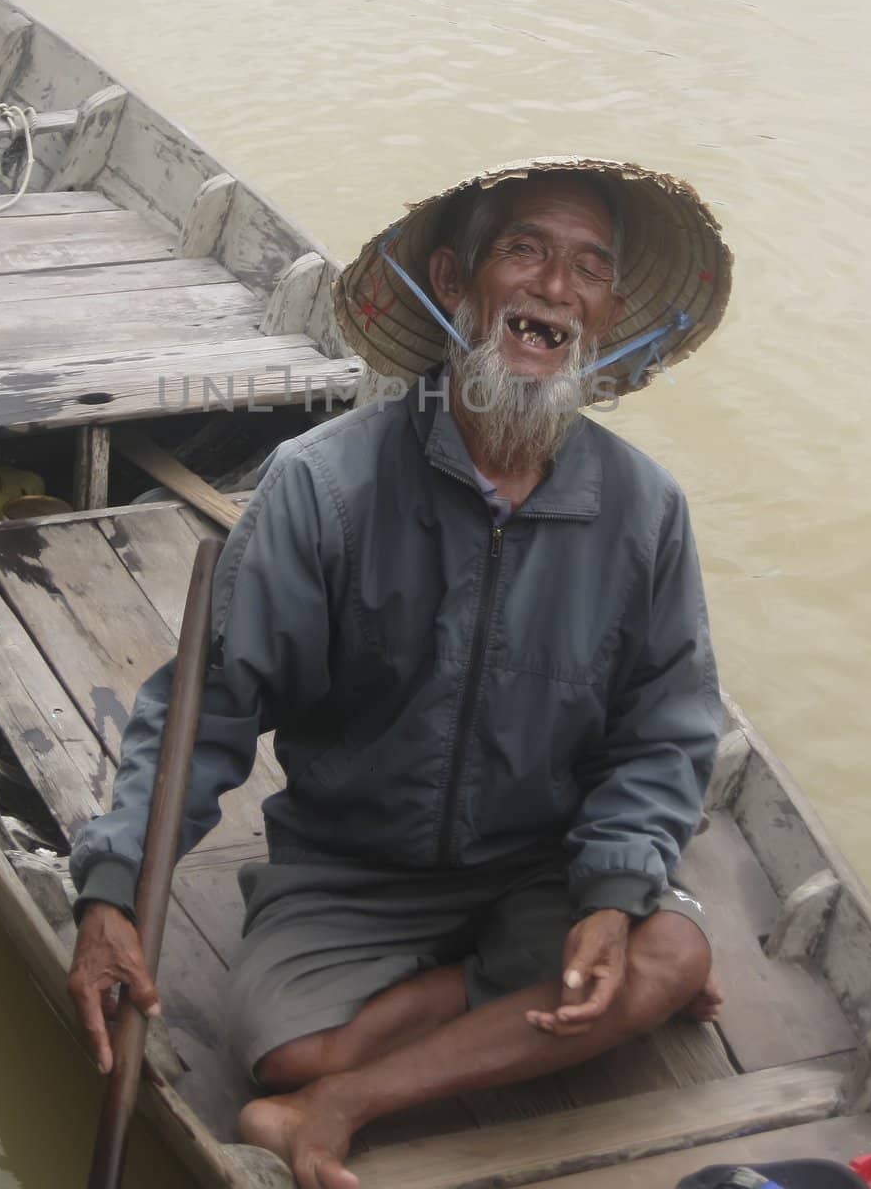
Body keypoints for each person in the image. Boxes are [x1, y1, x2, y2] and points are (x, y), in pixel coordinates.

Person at [69, 156, 733, 1189]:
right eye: (525, 250)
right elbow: (209, 710)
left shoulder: (645, 511)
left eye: (589, 269)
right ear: (456, 284)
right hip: (352, 868)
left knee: (665, 955)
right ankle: (484, 1019)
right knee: (277, 1045)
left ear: (601, 321)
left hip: (539, 866)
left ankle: (342, 1103)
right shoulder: (323, 487)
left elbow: (666, 732)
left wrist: (614, 888)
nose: (555, 287)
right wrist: (112, 885)